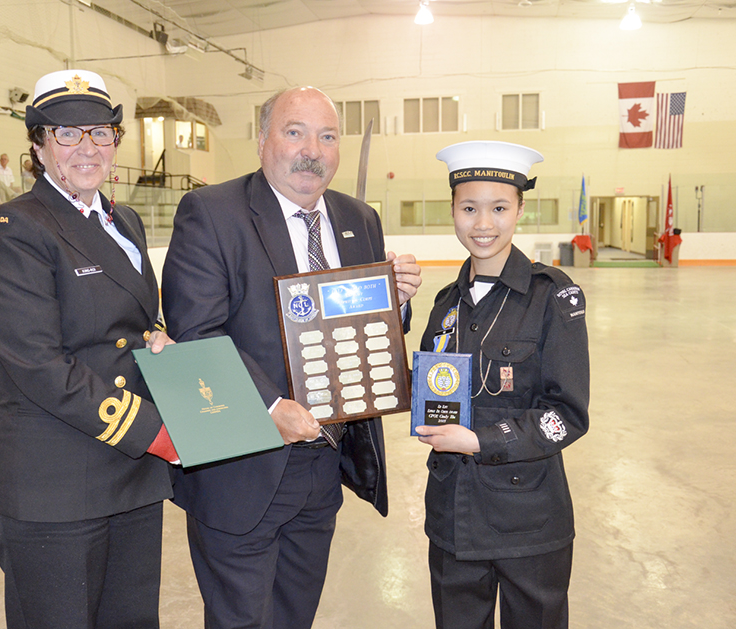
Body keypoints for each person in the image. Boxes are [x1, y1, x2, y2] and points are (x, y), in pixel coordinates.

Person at [161, 86, 422, 629]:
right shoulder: (211, 212)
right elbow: (195, 331)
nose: (312, 150)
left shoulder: (360, 218)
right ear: (262, 142)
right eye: (295, 132)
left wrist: (395, 304)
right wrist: (269, 404)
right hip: (241, 468)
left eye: (327, 137)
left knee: (294, 616)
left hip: (323, 464)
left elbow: (370, 328)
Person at [0, 68, 178, 629]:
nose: (86, 147)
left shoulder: (124, 220)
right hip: (55, 479)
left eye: (99, 132)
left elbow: (130, 326)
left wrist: (159, 341)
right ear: (38, 146)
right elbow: (39, 364)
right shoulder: (13, 227)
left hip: (129, 474)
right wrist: (155, 432)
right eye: (66, 133)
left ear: (115, 142)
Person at [416, 141, 590, 629]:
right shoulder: (446, 302)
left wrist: (479, 440)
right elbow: (427, 392)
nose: (483, 223)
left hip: (529, 523)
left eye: (499, 208)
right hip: (453, 517)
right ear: (452, 210)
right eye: (469, 208)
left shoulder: (552, 297)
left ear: (519, 210)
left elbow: (567, 416)